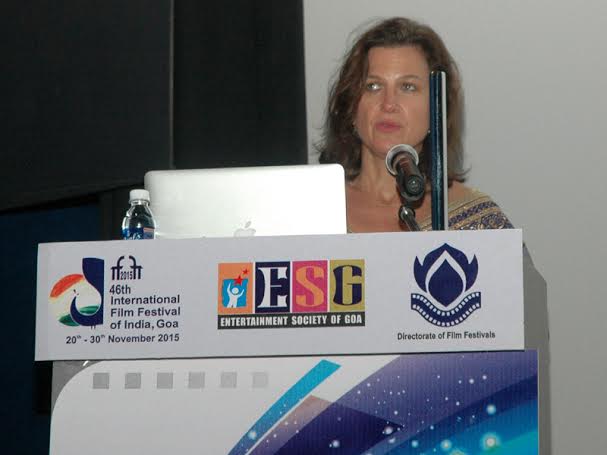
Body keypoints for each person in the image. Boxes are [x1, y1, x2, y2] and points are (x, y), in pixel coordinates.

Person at [318, 17, 513, 232]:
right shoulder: (309, 211)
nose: (388, 104)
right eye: (373, 86)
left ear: (437, 108)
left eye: (408, 87)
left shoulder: (479, 220)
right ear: (350, 107)